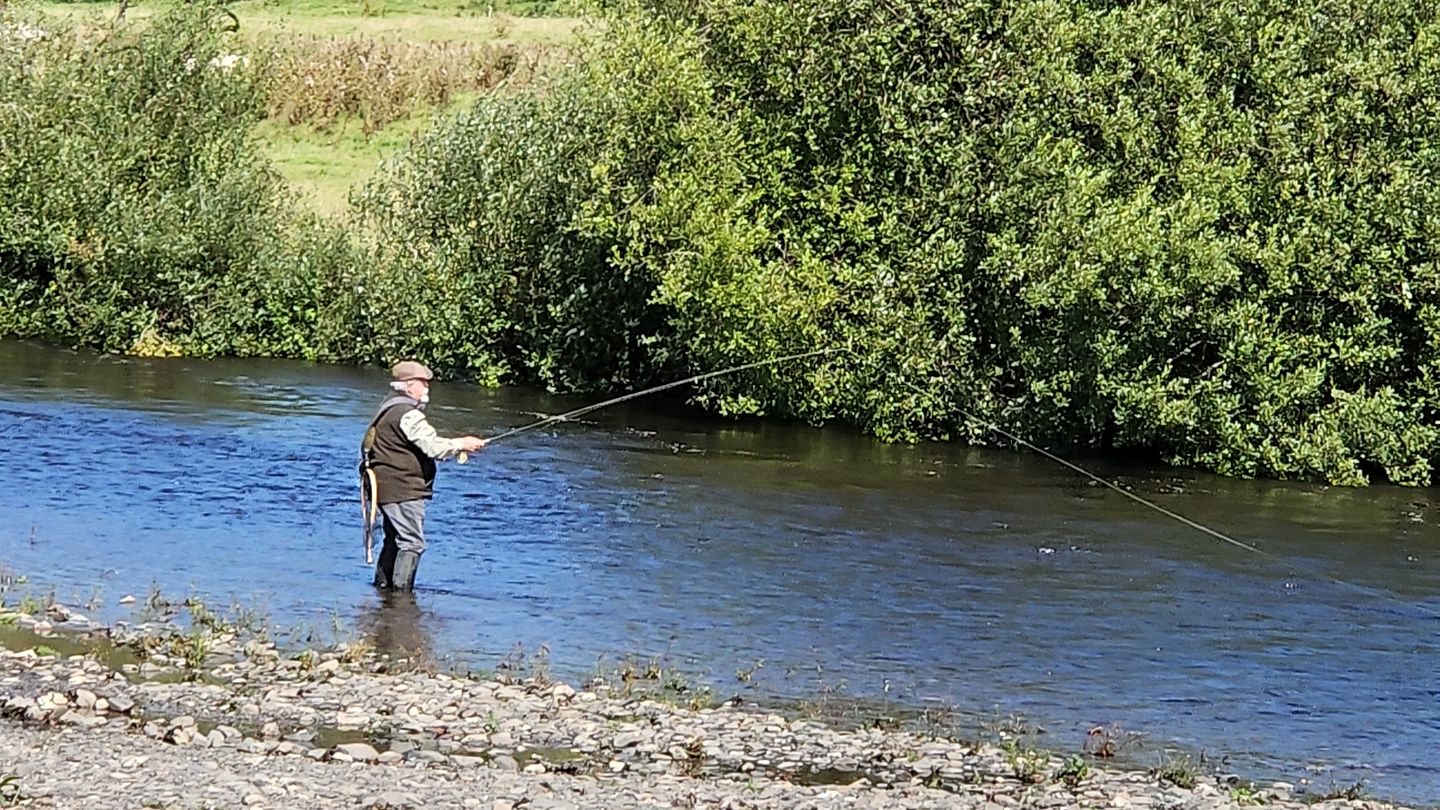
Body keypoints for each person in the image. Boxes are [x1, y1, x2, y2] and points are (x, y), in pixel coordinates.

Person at [360, 360, 486, 591]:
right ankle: (400, 597)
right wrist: (462, 443)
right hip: (402, 489)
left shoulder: (389, 406)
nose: (427, 388)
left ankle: (382, 591)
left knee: (394, 539)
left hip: (385, 486)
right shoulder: (409, 414)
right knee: (411, 543)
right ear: (409, 386)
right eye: (423, 384)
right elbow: (434, 447)